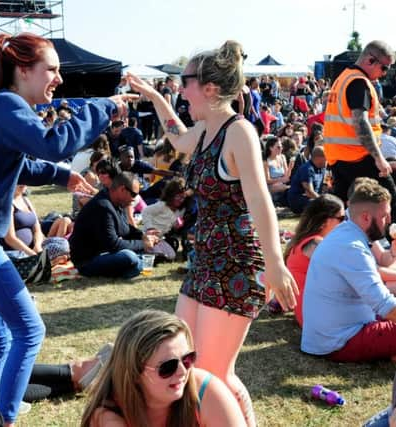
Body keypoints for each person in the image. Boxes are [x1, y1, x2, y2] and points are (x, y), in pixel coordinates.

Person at [0, 32, 133, 425]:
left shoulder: (0, 107)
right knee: (29, 330)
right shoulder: (7, 104)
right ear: (23, 71)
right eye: (51, 70)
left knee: (3, 336)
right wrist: (103, 107)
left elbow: (11, 164)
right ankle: (1, 419)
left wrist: (62, 177)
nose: (58, 78)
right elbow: (53, 143)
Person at [127, 40, 297, 426]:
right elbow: (176, 136)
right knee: (187, 361)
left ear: (209, 88)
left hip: (237, 265)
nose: (180, 89)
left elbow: (260, 202)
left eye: (184, 81)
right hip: (206, 262)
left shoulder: (240, 133)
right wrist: (154, 95)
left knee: (212, 375)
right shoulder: (205, 131)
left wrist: (275, 264)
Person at [81, 310, 245, 427]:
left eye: (188, 359)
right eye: (168, 366)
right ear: (135, 373)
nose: (182, 371)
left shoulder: (206, 392)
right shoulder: (109, 414)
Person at [301, 180, 396, 362]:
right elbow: (385, 305)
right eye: (385, 216)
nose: (389, 221)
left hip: (330, 336)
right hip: (340, 341)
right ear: (366, 217)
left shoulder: (346, 235)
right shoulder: (351, 247)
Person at [324, 40, 396, 214]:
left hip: (339, 157)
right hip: (358, 157)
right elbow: (361, 123)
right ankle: (389, 239)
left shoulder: (343, 78)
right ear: (370, 60)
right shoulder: (359, 83)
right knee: (388, 198)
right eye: (384, 68)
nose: (385, 74)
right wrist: (379, 158)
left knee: (344, 208)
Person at [70, 172, 158, 278]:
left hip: (105, 253)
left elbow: (125, 229)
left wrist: (143, 236)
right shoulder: (102, 206)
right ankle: (137, 265)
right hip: (88, 261)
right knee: (129, 257)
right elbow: (113, 245)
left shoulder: (117, 203)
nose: (135, 198)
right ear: (122, 190)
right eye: (134, 194)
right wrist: (143, 244)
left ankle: (139, 263)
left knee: (149, 252)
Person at [284, 194, 345, 327]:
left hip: (311, 312)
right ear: (325, 221)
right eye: (341, 218)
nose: (344, 223)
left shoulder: (305, 241)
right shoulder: (315, 244)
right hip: (317, 316)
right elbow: (352, 271)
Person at [287, 146, 327, 214]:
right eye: (326, 158)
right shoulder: (307, 169)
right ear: (318, 158)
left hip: (314, 198)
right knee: (322, 206)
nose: (327, 160)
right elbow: (309, 192)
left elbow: (323, 188)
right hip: (299, 200)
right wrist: (325, 201)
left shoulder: (322, 168)